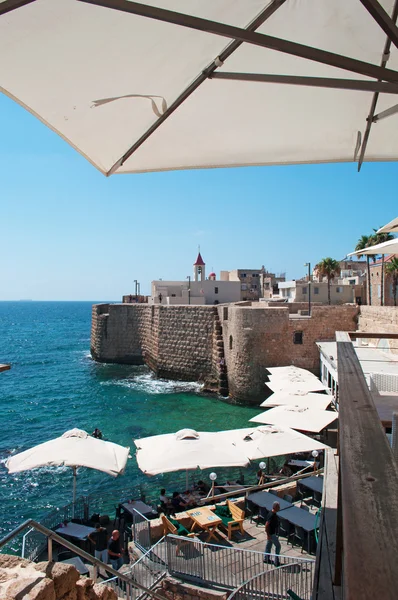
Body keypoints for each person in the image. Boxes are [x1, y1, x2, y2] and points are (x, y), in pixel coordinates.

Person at [264, 501, 281, 566]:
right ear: (275, 507)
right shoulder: (272, 515)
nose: (279, 508)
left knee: (268, 545)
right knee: (278, 546)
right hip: (271, 533)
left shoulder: (271, 513)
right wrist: (268, 535)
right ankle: (276, 561)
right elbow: (267, 525)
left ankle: (266, 558)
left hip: (270, 533)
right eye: (278, 507)